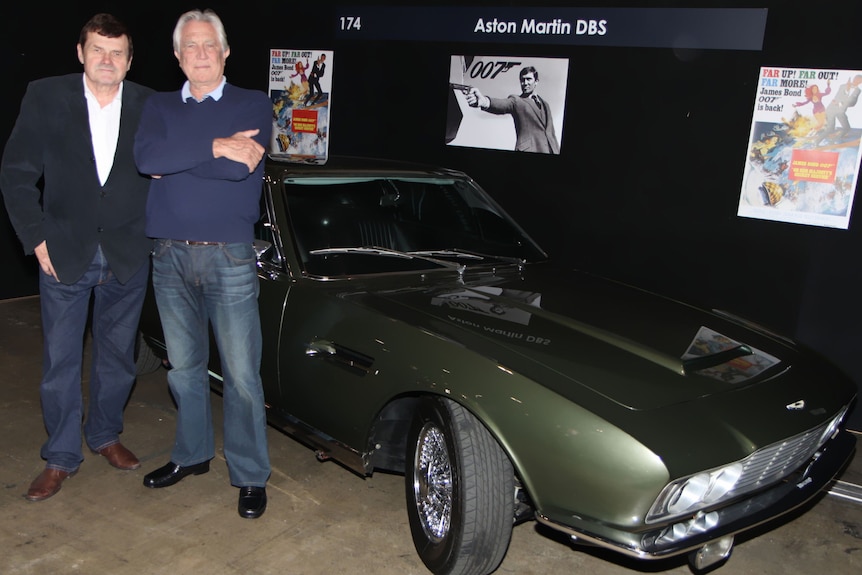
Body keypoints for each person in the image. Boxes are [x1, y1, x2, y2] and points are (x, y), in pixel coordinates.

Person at [0, 14, 154, 501]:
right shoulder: (46, 96)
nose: (107, 60)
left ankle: (105, 434)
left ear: (129, 61)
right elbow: (16, 173)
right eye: (98, 50)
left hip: (128, 254)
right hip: (64, 252)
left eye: (117, 53)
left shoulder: (151, 104)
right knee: (61, 362)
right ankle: (62, 456)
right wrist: (37, 238)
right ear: (81, 52)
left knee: (118, 358)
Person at [133, 8, 272, 519]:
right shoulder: (158, 107)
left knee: (240, 375)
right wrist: (215, 145)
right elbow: (147, 160)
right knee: (184, 369)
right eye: (189, 46)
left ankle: (251, 474)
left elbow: (241, 172)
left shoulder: (252, 102)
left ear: (225, 51)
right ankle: (191, 456)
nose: (199, 53)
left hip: (229, 258)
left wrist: (181, 161)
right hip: (168, 255)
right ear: (177, 56)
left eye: (207, 44)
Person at [466, 66, 560, 154]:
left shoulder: (545, 104)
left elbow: (550, 133)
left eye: (528, 79)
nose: (525, 83)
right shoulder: (517, 101)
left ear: (536, 81)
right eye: (522, 80)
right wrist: (484, 101)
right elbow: (502, 104)